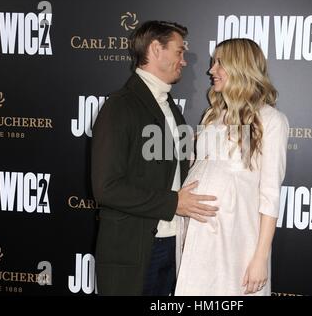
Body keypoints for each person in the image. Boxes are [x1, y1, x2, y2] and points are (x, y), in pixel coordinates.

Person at [91, 20, 218, 296]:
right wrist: (174, 202)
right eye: (179, 52)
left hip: (173, 244)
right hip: (134, 251)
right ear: (156, 50)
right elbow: (106, 188)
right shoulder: (119, 106)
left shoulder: (170, 106)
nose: (184, 61)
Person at [175, 38, 289, 296]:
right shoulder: (213, 115)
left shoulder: (271, 120)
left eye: (219, 63)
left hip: (236, 238)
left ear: (240, 67)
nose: (211, 70)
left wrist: (260, 258)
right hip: (195, 232)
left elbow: (270, 195)